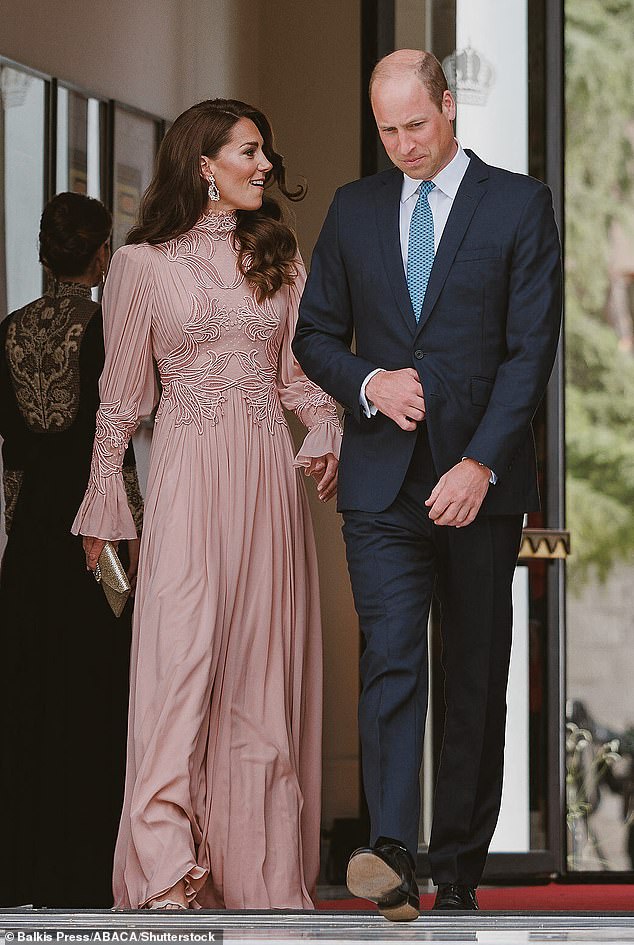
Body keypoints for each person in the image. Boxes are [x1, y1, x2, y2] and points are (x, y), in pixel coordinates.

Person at [293, 50, 562, 919]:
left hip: (481, 481)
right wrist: (371, 382)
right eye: (387, 129)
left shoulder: (520, 204)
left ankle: (457, 868)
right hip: (382, 485)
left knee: (475, 677)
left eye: (417, 123)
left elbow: (531, 352)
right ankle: (395, 852)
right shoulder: (354, 208)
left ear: (450, 105)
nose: (403, 143)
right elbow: (315, 336)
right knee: (394, 660)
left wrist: (481, 462)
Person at [72, 98, 341, 911]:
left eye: (264, 151)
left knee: (260, 678)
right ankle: (162, 865)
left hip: (264, 480)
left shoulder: (280, 259)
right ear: (204, 164)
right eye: (249, 151)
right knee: (180, 663)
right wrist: (103, 507)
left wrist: (325, 422)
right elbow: (119, 402)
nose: (264, 165)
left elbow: (298, 379)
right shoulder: (141, 266)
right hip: (187, 477)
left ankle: (256, 876)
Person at [0, 192, 142, 908]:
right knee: (97, 694)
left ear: (41, 252)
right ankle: (86, 870)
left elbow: (13, 457)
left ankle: (21, 869)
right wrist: (134, 547)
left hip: (28, 543)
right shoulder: (107, 328)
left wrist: (16, 538)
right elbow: (114, 455)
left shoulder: (9, 332)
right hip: (97, 537)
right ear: (99, 255)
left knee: (27, 695)